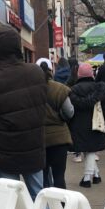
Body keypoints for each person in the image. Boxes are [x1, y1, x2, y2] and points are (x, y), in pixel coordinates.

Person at [0, 24, 47, 200]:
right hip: (34, 149)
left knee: (10, 202)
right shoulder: (36, 72)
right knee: (39, 197)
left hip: (4, 153)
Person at [69, 63, 105, 188]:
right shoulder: (100, 89)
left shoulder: (73, 90)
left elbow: (69, 109)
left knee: (88, 150)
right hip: (96, 123)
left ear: (79, 74)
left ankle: (91, 177)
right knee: (91, 149)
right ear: (92, 74)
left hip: (79, 124)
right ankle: (92, 176)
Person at [36, 58, 74, 189]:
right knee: (59, 177)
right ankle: (62, 206)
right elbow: (69, 112)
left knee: (43, 178)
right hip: (59, 139)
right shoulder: (60, 89)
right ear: (51, 71)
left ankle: (46, 207)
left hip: (39, 139)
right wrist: (60, 117)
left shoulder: (31, 91)